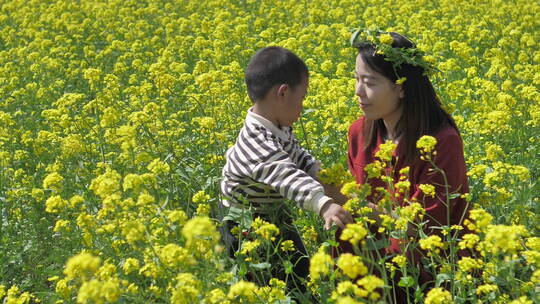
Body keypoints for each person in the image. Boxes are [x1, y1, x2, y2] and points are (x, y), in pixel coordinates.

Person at [337, 30, 470, 301]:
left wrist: (347, 199)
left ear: (401, 86)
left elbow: (424, 228)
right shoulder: (359, 133)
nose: (358, 91)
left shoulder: (441, 143)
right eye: (356, 79)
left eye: (370, 82)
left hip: (428, 280)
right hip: (371, 270)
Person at [219, 46, 353, 295]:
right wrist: (324, 204)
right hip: (244, 227)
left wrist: (315, 168)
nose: (302, 107)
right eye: (301, 99)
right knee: (265, 286)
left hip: (271, 212)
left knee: (299, 273)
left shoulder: (275, 127)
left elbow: (295, 156)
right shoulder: (257, 143)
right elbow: (287, 176)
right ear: (282, 93)